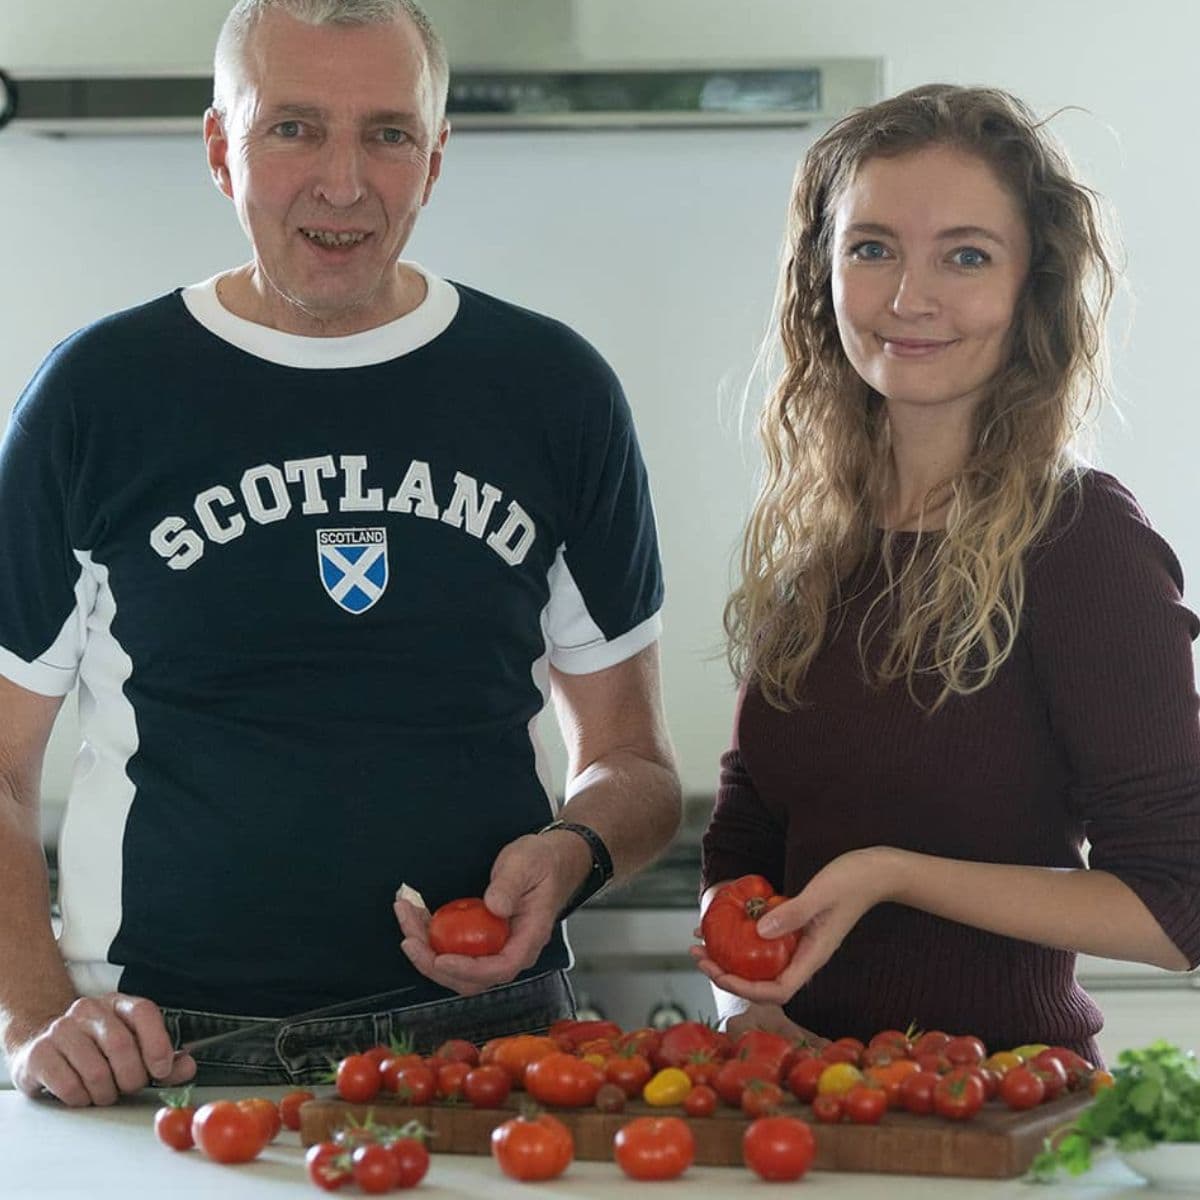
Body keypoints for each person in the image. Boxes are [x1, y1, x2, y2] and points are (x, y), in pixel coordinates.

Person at [0, 0, 681, 1106]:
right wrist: (32, 1018)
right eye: (294, 128)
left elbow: (635, 764)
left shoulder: (554, 392)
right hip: (168, 1052)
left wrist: (574, 851)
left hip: (490, 1049)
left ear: (436, 156)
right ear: (220, 148)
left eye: (388, 133)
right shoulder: (97, 397)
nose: (344, 182)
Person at [695, 84, 1200, 1063]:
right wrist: (744, 1001)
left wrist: (893, 874)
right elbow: (747, 836)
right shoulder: (820, 539)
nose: (908, 298)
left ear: (1030, 287)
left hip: (1001, 1104)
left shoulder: (1080, 539)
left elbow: (1177, 907)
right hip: (800, 1100)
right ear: (822, 275)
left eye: (965, 256)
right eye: (871, 248)